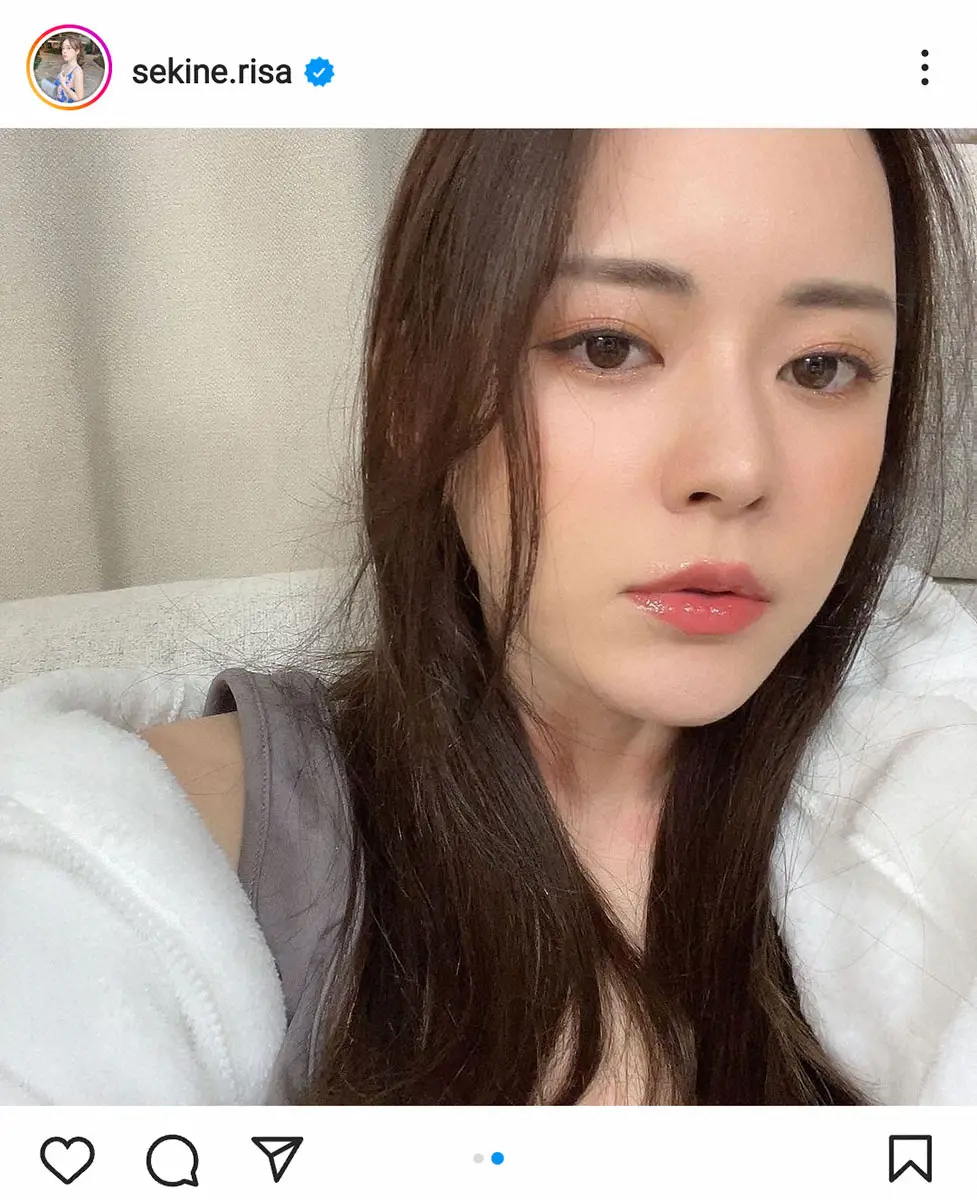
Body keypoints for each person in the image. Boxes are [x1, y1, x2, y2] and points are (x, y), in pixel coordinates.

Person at [2, 130, 977, 1106]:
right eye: (608, 346)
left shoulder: (923, 779)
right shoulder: (130, 847)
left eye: (821, 367)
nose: (736, 468)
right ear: (417, 389)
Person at [38, 34, 85, 104]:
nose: (64, 51)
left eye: (68, 48)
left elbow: (79, 98)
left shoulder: (77, 71)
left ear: (77, 51)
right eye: (63, 48)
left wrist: (63, 84)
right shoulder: (64, 66)